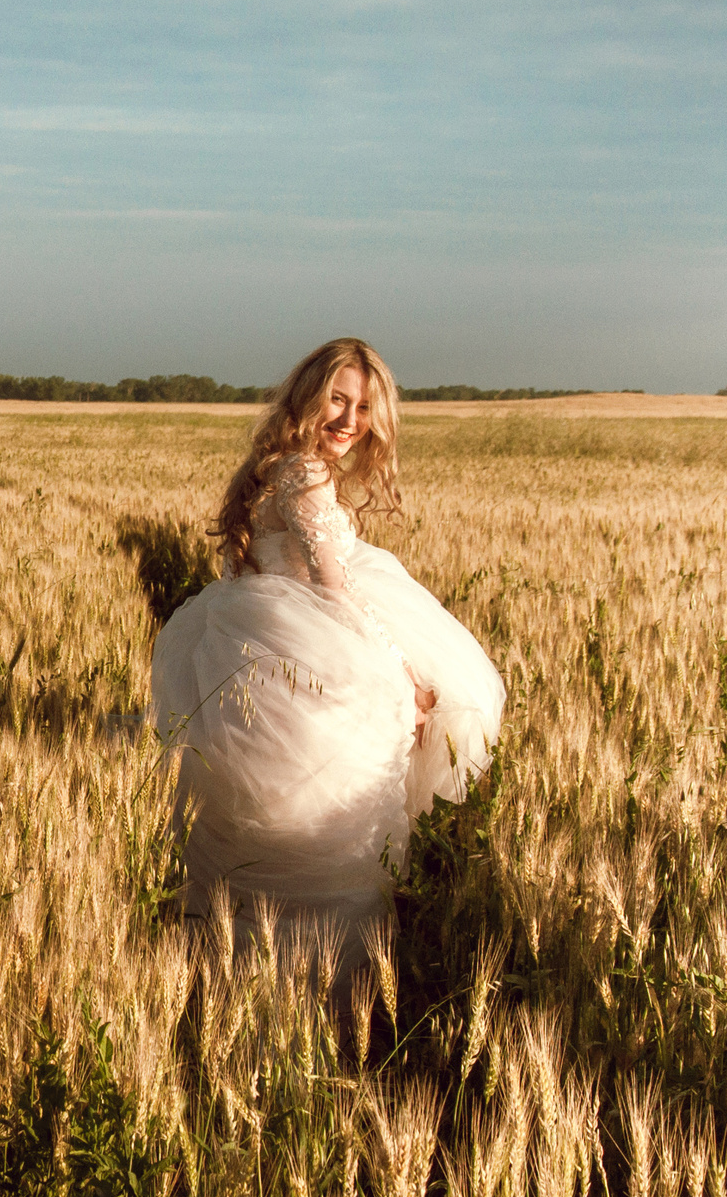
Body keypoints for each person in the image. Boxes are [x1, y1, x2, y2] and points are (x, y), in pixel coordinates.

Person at [149, 337, 504, 972]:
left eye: (363, 408)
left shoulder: (268, 468)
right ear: (308, 399)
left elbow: (247, 572)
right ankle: (328, 1001)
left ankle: (237, 983)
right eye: (337, 401)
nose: (349, 421)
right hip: (315, 668)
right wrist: (403, 682)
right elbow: (334, 589)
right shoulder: (306, 473)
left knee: (258, 846)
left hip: (263, 668)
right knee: (334, 845)